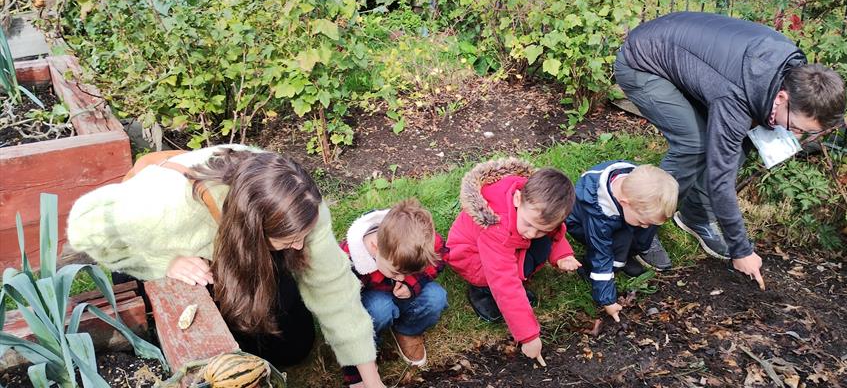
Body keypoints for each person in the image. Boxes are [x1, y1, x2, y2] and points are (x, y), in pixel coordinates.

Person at [67, 145, 386, 388]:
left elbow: (334, 289)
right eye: (291, 240)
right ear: (251, 228)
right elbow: (83, 226)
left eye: (303, 237)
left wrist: (371, 378)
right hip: (165, 249)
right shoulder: (162, 207)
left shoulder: (303, 207)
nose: (301, 246)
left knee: (295, 345)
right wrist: (164, 262)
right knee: (201, 334)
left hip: (240, 244)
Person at [614, 12, 846, 288]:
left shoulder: (791, 70)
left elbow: (742, 134)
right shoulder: (735, 95)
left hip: (691, 60)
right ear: (782, 98)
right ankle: (643, 228)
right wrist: (741, 249)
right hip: (643, 61)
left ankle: (695, 216)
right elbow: (720, 179)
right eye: (796, 126)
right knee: (694, 144)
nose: (795, 134)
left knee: (741, 136)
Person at [446, 158, 580, 361]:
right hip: (472, 257)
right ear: (517, 199)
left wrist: (562, 254)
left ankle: (517, 280)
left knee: (540, 245)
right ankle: (482, 292)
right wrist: (528, 336)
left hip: (506, 245)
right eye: (529, 224)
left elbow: (553, 233)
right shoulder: (496, 226)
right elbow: (504, 281)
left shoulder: (531, 205)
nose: (532, 233)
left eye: (540, 229)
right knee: (507, 277)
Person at [339, 198, 448, 368]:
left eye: (408, 273)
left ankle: (408, 330)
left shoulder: (419, 241)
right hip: (373, 297)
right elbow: (343, 306)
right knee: (380, 310)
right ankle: (370, 345)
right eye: (396, 272)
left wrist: (413, 283)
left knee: (436, 297)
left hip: (405, 294)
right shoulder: (350, 258)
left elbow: (440, 257)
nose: (401, 278)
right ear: (375, 248)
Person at [567, 162, 678, 320]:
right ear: (625, 203)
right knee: (607, 251)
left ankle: (628, 254)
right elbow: (600, 253)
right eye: (641, 221)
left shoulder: (636, 187)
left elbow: (643, 219)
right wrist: (608, 301)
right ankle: (590, 268)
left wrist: (642, 224)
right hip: (584, 226)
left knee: (641, 228)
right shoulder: (599, 214)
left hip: (622, 217)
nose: (645, 226)